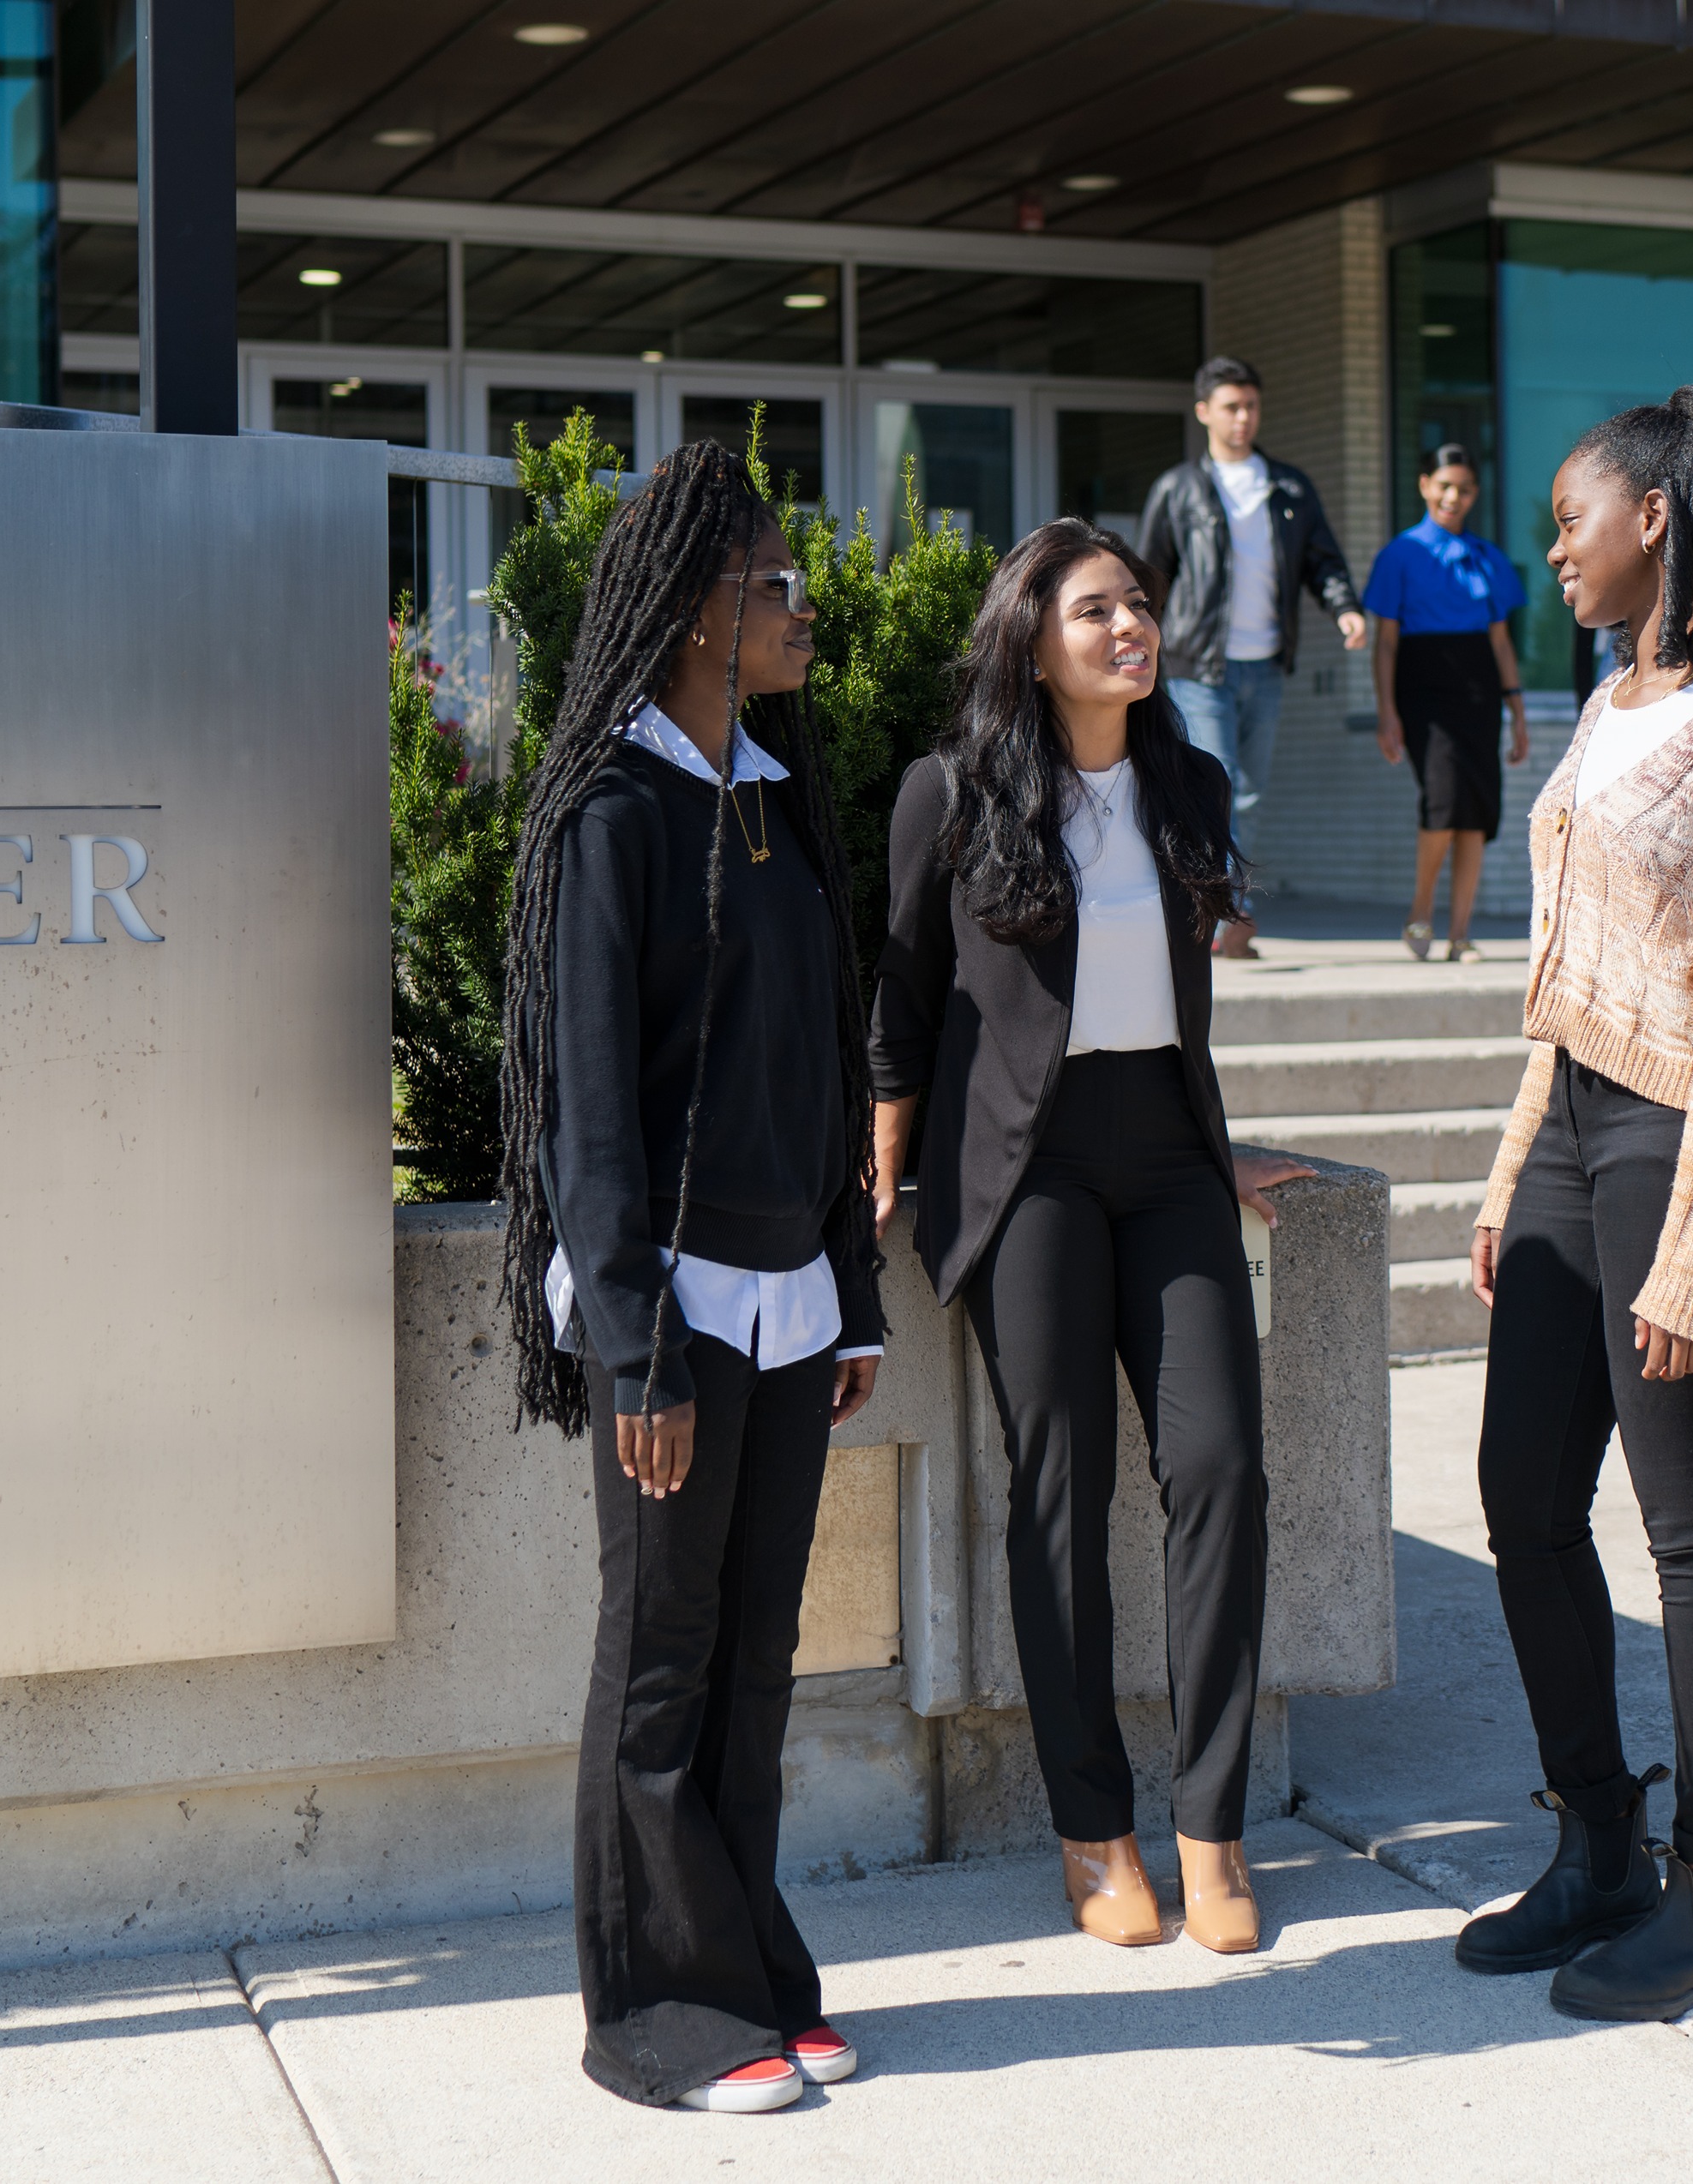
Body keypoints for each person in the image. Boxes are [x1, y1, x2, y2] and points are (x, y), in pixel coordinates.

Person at [495, 442, 884, 2115]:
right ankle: (650, 2007)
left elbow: (819, 1062)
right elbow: (587, 1111)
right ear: (694, 611)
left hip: (790, 1304)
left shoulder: (777, 801)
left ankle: (747, 1963)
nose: (801, 607)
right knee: (657, 1652)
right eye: (775, 583)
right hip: (672, 1311)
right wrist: (637, 1352)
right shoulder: (613, 815)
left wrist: (852, 1286)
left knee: (753, 1654)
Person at [870, 519, 1319, 1954]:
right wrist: (880, 1165)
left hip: (1169, 1158)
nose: (1128, 627)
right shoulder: (950, 794)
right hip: (1027, 1165)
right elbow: (899, 1005)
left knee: (1221, 1469)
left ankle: (1210, 1825)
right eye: (1095, 609)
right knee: (1056, 1490)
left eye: (1137, 605)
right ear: (1031, 635)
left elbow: (1174, 995)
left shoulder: (1181, 778)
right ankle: (1093, 1831)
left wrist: (1209, 1126)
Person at [1456, 387, 1693, 2024]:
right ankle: (1595, 1841)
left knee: (1687, 1524)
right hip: (1572, 1127)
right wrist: (1507, 1168)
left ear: (1654, 518)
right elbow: (1569, 979)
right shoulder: (1611, 702)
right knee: (1518, 1493)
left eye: (1567, 521)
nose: (1552, 551)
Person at [1138, 355, 1367, 957]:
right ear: (1204, 412)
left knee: (1250, 792)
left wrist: (1343, 605)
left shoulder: (1288, 486)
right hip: (1198, 664)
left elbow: (1322, 560)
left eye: (1251, 407)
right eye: (1231, 407)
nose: (1243, 418)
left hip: (1265, 664)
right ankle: (1217, 916)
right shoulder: (1178, 488)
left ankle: (1219, 911)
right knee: (1218, 783)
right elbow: (1148, 577)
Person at [1367, 441, 1534, 962]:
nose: (1453, 497)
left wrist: (1518, 712)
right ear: (1424, 486)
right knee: (1442, 801)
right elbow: (1387, 643)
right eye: (1444, 486)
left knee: (1476, 812)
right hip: (1423, 690)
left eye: (1463, 488)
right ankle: (1421, 914)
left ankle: (1460, 934)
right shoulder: (1401, 554)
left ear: (1475, 493)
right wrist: (1387, 712)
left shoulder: (1489, 559)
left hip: (1480, 691)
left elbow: (1502, 642)